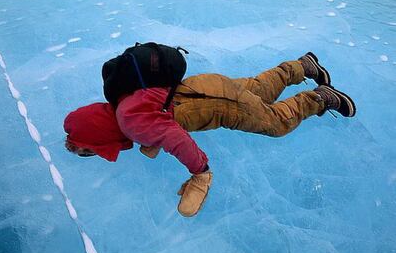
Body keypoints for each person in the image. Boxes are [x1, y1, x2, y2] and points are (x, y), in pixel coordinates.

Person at [63, 52, 356, 217]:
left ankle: (318, 98)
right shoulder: (121, 104)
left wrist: (200, 173)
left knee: (276, 123)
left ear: (99, 134)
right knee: (260, 89)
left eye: (90, 149)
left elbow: (176, 138)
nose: (94, 154)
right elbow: (156, 118)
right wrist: (150, 138)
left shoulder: (129, 123)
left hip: (218, 105)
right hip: (204, 86)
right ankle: (302, 66)